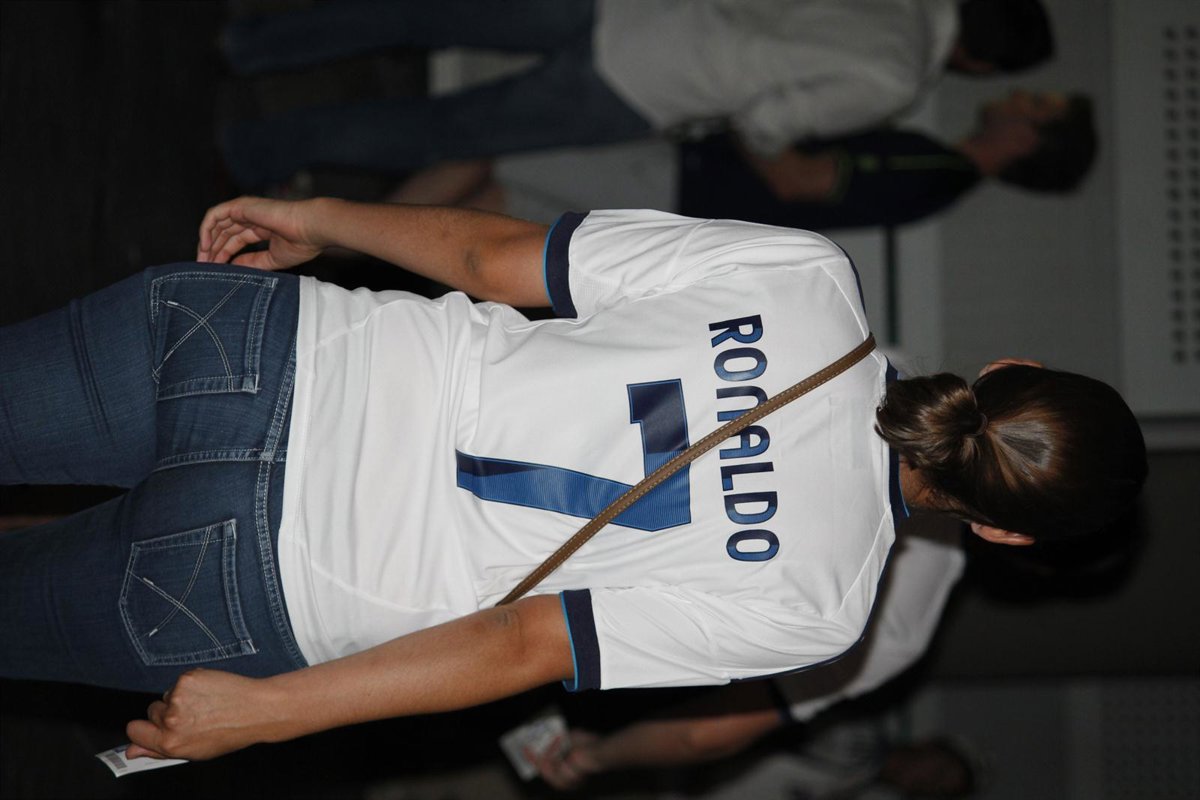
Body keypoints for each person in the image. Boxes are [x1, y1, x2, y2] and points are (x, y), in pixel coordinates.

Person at [0, 197, 1146, 763]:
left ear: (1010, 369)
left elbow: (492, 259)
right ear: (1004, 535)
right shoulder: (821, 609)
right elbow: (523, 642)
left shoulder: (806, 276)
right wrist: (268, 711)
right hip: (273, 579)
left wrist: (317, 216)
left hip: (275, 348)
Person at [219, 0, 1056, 190]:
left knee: (425, 13)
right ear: (981, 63)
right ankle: (259, 148)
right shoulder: (896, 78)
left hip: (634, 6)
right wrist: (771, 152)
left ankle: (250, 43)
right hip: (648, 84)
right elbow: (770, 119)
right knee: (442, 129)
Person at [531, 526, 966, 789]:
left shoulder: (874, 392)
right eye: (938, 773)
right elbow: (702, 735)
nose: (924, 779)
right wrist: (593, 756)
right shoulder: (899, 632)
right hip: (607, 628)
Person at [390, 90, 1097, 231]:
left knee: (494, 152)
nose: (1024, 96)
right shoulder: (938, 174)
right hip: (680, 193)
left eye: (1039, 106)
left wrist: (751, 109)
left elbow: (795, 178)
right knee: (491, 205)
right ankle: (347, 244)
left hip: (680, 183)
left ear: (1029, 142)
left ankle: (340, 233)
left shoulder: (933, 170)